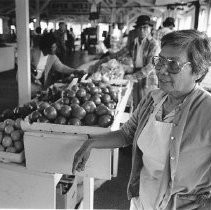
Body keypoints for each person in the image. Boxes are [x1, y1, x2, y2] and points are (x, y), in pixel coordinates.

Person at [72, 30, 211, 210]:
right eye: (160, 61)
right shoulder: (153, 99)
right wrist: (90, 144)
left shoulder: (207, 111)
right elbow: (126, 133)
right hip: (143, 199)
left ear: (198, 70)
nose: (161, 70)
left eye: (174, 65)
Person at [125, 15, 160, 109]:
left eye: (145, 27)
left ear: (150, 28)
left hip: (148, 78)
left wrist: (134, 76)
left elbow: (152, 65)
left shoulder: (154, 44)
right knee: (137, 105)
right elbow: (126, 55)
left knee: (147, 107)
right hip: (136, 75)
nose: (142, 30)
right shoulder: (134, 42)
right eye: (139, 28)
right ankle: (137, 123)